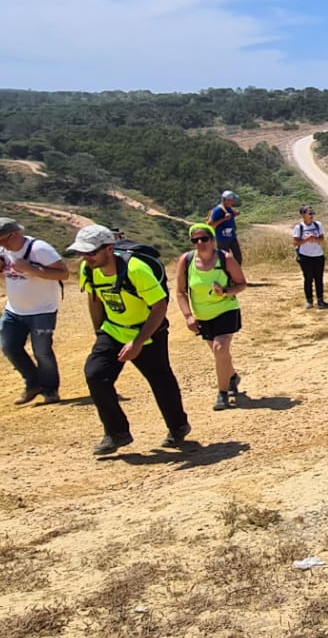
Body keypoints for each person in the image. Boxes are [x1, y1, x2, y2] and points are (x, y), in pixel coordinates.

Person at [67, 224, 189, 456]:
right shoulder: (89, 269)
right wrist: (99, 334)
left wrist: (138, 342)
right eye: (82, 252)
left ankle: (178, 426)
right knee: (95, 375)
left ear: (109, 249)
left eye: (91, 252)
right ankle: (116, 432)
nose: (85, 257)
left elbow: (159, 307)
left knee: (160, 380)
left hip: (148, 332)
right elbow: (95, 299)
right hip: (113, 330)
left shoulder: (137, 270)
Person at [0, 218, 69, 406]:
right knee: (9, 347)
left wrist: (31, 269)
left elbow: (63, 274)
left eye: (2, 240)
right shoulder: (2, 250)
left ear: (15, 234)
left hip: (43, 310)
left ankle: (50, 391)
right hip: (14, 310)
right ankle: (33, 383)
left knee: (42, 352)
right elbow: (5, 274)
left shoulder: (39, 249)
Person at [177, 223, 248, 412]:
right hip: (202, 316)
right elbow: (181, 292)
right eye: (195, 240)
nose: (200, 243)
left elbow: (241, 284)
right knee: (220, 354)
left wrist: (225, 291)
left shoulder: (226, 259)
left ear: (213, 240)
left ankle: (222, 394)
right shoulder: (186, 261)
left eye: (204, 239)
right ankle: (232, 377)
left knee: (220, 348)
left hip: (226, 309)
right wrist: (188, 316)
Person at [292, 205, 328, 308]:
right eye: (309, 213)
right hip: (305, 257)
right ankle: (309, 301)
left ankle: (321, 300)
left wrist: (315, 239)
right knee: (308, 279)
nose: (312, 216)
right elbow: (295, 243)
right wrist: (307, 240)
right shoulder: (299, 227)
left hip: (318, 255)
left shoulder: (318, 225)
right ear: (303, 215)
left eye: (313, 213)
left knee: (319, 279)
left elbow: (322, 239)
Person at [208, 190, 245, 268]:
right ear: (227, 200)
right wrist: (224, 219)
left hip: (232, 237)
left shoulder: (229, 208)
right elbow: (210, 224)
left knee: (238, 256)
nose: (234, 201)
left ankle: (235, 275)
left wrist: (234, 214)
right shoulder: (217, 210)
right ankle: (226, 276)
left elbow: (229, 216)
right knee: (224, 259)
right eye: (233, 200)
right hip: (222, 239)